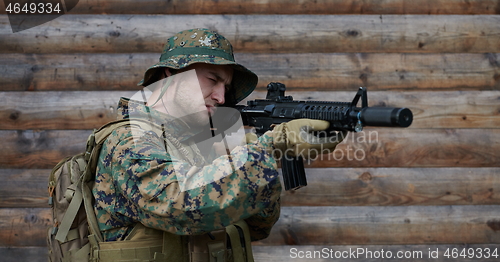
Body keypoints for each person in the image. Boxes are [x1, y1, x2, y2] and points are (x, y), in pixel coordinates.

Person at [91, 28, 345, 262]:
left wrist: (245, 155)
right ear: (171, 74)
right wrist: (268, 148)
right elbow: (179, 205)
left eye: (225, 87)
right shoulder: (129, 140)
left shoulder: (196, 144)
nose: (221, 97)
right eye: (212, 79)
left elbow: (256, 227)